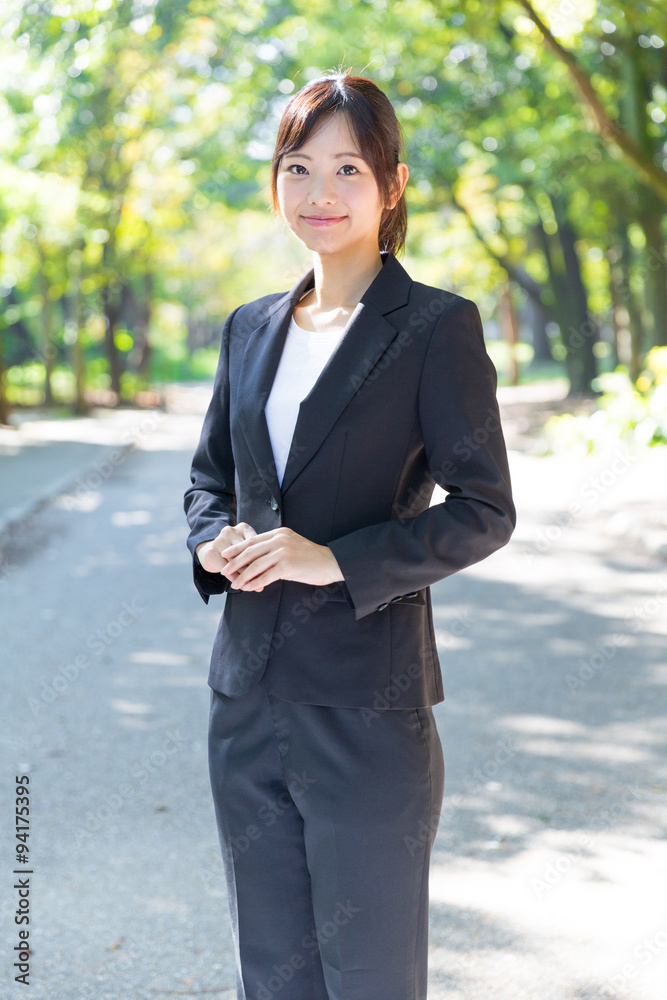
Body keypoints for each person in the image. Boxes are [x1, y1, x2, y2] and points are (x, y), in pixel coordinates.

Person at [184, 72, 516, 1000]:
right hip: (245, 698)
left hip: (366, 705)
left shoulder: (435, 329)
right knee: (271, 969)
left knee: (368, 972)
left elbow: (485, 507)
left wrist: (332, 559)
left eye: (346, 169)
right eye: (297, 167)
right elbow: (210, 479)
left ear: (391, 185)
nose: (319, 194)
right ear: (275, 181)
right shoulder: (249, 329)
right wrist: (213, 541)